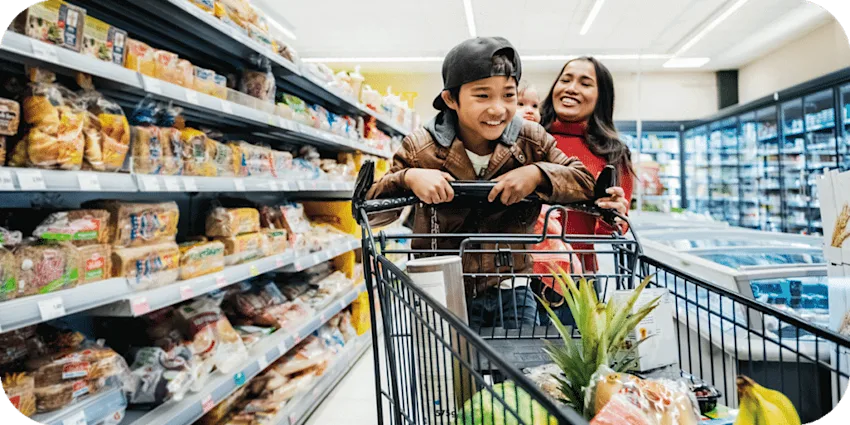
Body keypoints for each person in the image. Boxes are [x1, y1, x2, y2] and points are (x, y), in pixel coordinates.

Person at [366, 37, 595, 329]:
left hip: (513, 285)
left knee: (519, 370)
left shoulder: (532, 141)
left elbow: (584, 181)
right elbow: (372, 213)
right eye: (482, 96)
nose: (498, 109)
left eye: (508, 95)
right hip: (442, 288)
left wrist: (537, 173)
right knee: (449, 374)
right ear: (451, 99)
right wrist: (408, 178)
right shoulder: (420, 147)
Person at [540, 56, 634, 273]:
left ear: (601, 97)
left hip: (577, 278)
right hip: (518, 273)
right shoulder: (528, 137)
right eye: (565, 80)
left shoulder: (612, 153)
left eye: (585, 83)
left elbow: (610, 232)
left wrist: (614, 216)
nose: (572, 88)